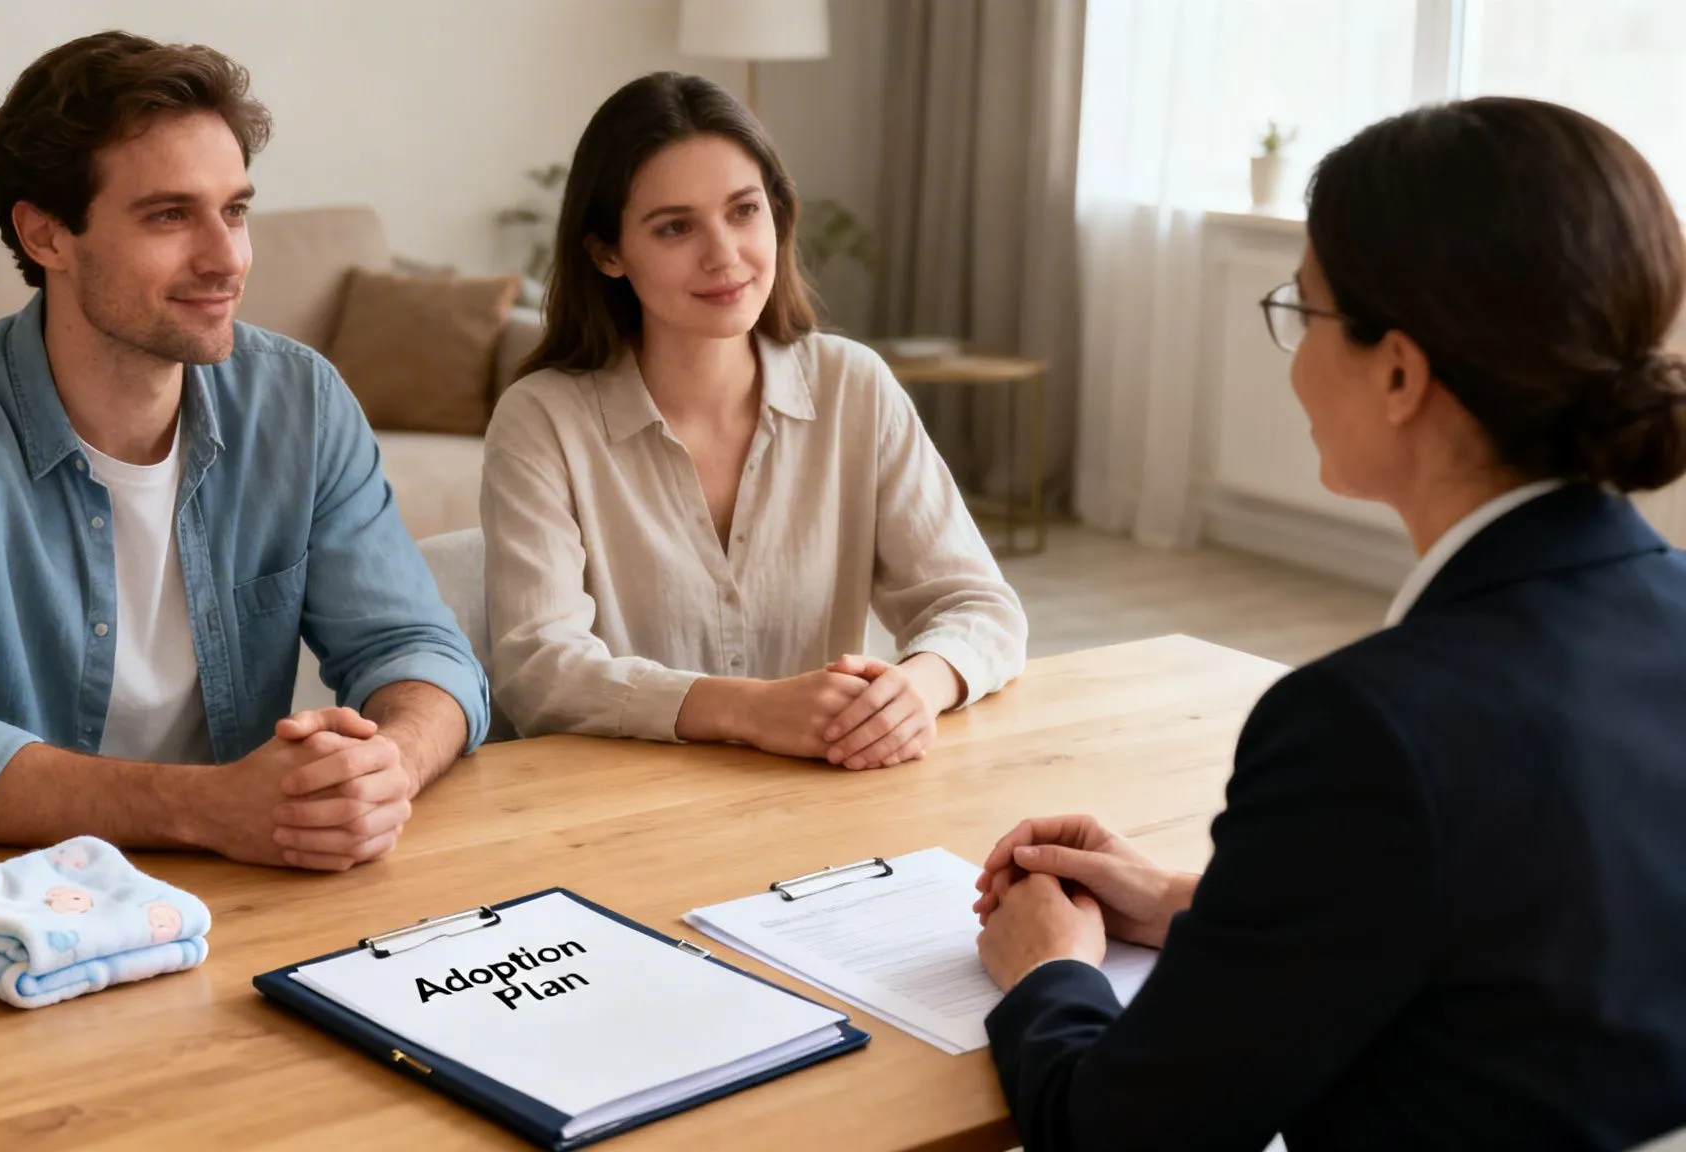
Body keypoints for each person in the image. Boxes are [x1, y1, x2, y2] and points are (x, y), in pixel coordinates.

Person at [971, 97, 1686, 1150]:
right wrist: (1188, 904)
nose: (1293, 359)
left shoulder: (1366, 729)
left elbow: (1114, 1135)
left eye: (1298, 313)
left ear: (1397, 372)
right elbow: (1537, 932)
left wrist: (1049, 965)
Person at [0, 32, 488, 871]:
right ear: (46, 235)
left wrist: (389, 766)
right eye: (170, 215)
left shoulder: (300, 403)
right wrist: (213, 807)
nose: (227, 258)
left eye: (235, 211)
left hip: (236, 882)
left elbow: (420, 653)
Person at [481, 72, 1026, 768]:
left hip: (828, 798)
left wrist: (917, 687)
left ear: (777, 213)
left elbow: (981, 606)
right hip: (620, 819)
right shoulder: (542, 420)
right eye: (675, 227)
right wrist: (748, 710)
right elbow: (539, 668)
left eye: (743, 211)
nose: (725, 254)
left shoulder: (853, 387)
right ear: (606, 252)